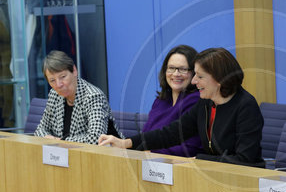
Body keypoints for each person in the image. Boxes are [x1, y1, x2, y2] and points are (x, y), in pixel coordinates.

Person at [99, 48, 265, 167]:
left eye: (199, 77)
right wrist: (125, 143)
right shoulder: (206, 103)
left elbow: (245, 159)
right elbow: (172, 133)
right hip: (212, 175)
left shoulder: (245, 106)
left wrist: (199, 160)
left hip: (243, 182)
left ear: (219, 79)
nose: (194, 82)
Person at [34, 50, 121, 144]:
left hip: (108, 154)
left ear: (74, 71)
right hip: (67, 154)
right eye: (52, 80)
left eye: (63, 77)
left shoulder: (93, 96)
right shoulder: (54, 95)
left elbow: (96, 138)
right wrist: (47, 137)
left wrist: (61, 141)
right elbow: (40, 129)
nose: (58, 85)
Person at [141, 45, 202, 157]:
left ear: (194, 73)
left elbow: (190, 148)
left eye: (183, 69)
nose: (176, 74)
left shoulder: (197, 100)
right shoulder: (160, 101)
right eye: (171, 68)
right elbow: (145, 136)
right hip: (151, 164)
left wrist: (149, 152)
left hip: (182, 169)